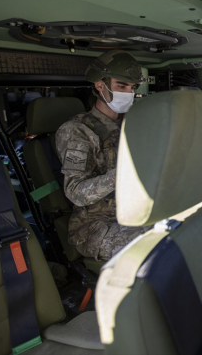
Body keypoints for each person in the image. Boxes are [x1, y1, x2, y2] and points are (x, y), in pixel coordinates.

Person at [56, 50, 148, 260]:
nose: (128, 92)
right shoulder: (77, 130)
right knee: (158, 248)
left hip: (137, 211)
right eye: (121, 85)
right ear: (100, 85)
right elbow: (75, 192)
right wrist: (123, 173)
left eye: (132, 87)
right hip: (95, 226)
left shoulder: (134, 123)